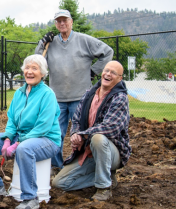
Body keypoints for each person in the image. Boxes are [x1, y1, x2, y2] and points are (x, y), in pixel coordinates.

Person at [0, 54, 61, 209]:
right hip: (21, 137)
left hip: (47, 139)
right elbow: (12, 120)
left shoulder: (47, 94)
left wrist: (18, 144)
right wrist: (8, 139)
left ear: (42, 73)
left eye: (34, 68)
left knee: (24, 149)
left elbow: (43, 126)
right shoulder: (19, 93)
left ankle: (30, 198)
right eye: (27, 68)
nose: (29, 71)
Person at [35, 9, 114, 171]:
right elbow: (38, 62)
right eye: (59, 21)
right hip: (57, 98)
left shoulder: (84, 40)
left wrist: (94, 71)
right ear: (56, 24)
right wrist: (41, 44)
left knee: (81, 134)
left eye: (65, 20)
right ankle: (56, 165)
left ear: (71, 22)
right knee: (55, 133)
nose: (62, 23)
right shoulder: (50, 43)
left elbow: (107, 52)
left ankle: (80, 165)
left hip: (81, 97)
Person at [52, 61, 131, 201]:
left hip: (112, 152)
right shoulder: (89, 94)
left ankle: (104, 188)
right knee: (59, 183)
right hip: (89, 152)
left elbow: (111, 127)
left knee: (98, 138)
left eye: (113, 72)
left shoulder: (120, 98)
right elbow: (76, 119)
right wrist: (76, 133)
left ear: (120, 78)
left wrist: (84, 135)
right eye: (106, 70)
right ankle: (106, 176)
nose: (108, 74)